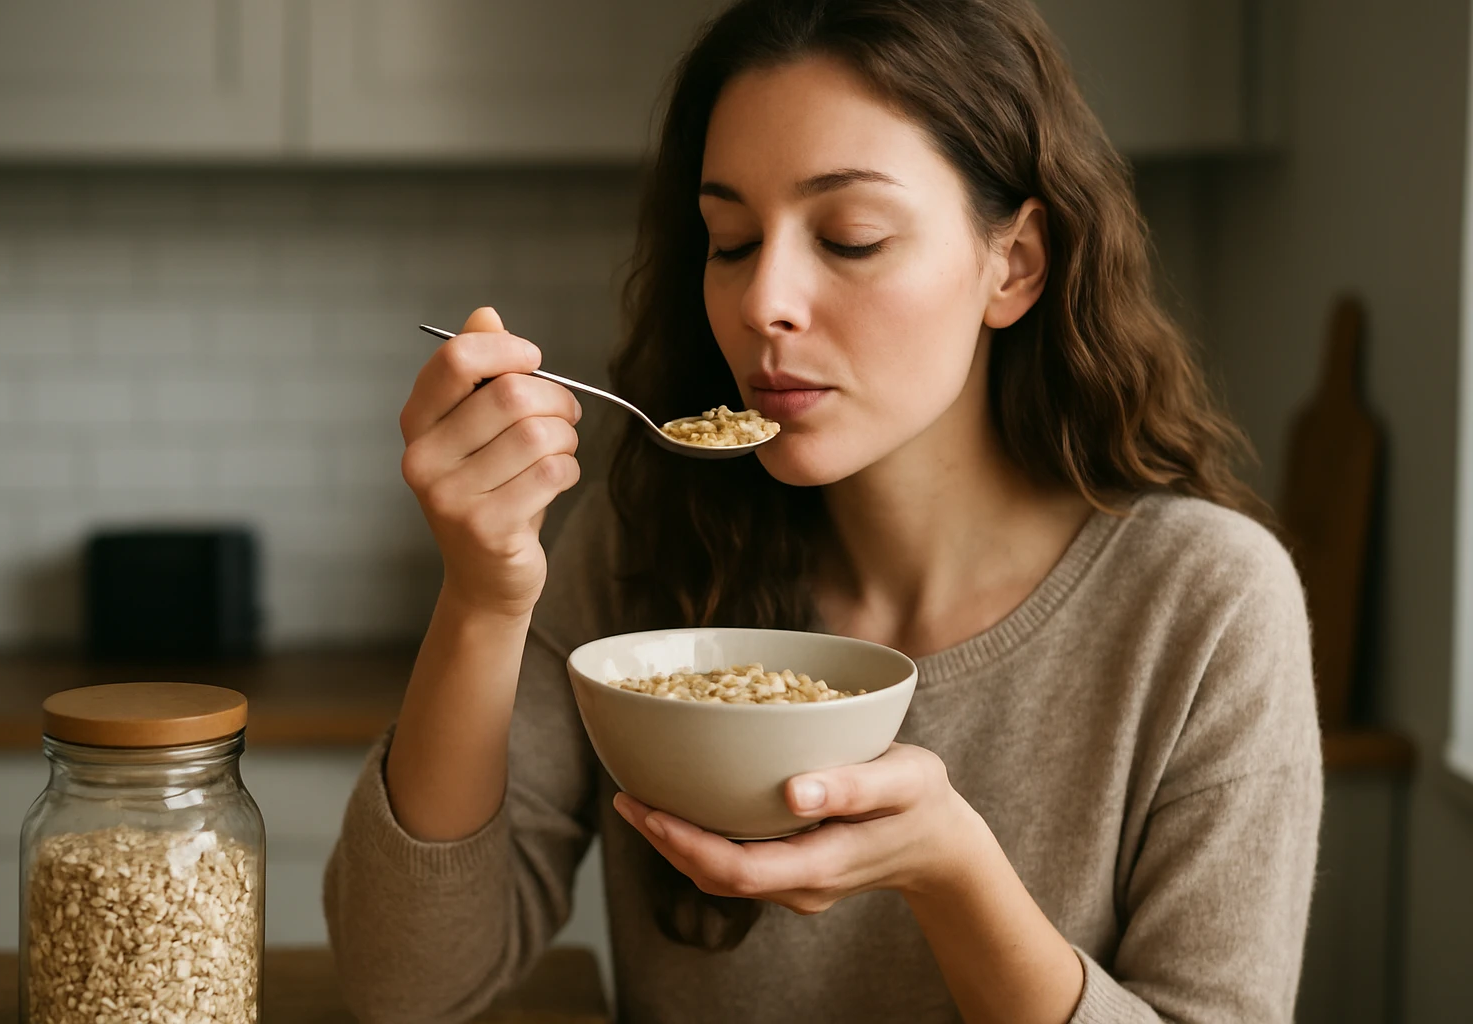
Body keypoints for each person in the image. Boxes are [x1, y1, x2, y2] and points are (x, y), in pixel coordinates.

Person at [324, 1, 1322, 1021]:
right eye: (730, 240)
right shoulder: (651, 539)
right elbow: (400, 986)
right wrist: (484, 596)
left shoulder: (1206, 604)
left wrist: (954, 875)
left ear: (1012, 264)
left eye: (850, 237)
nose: (765, 301)